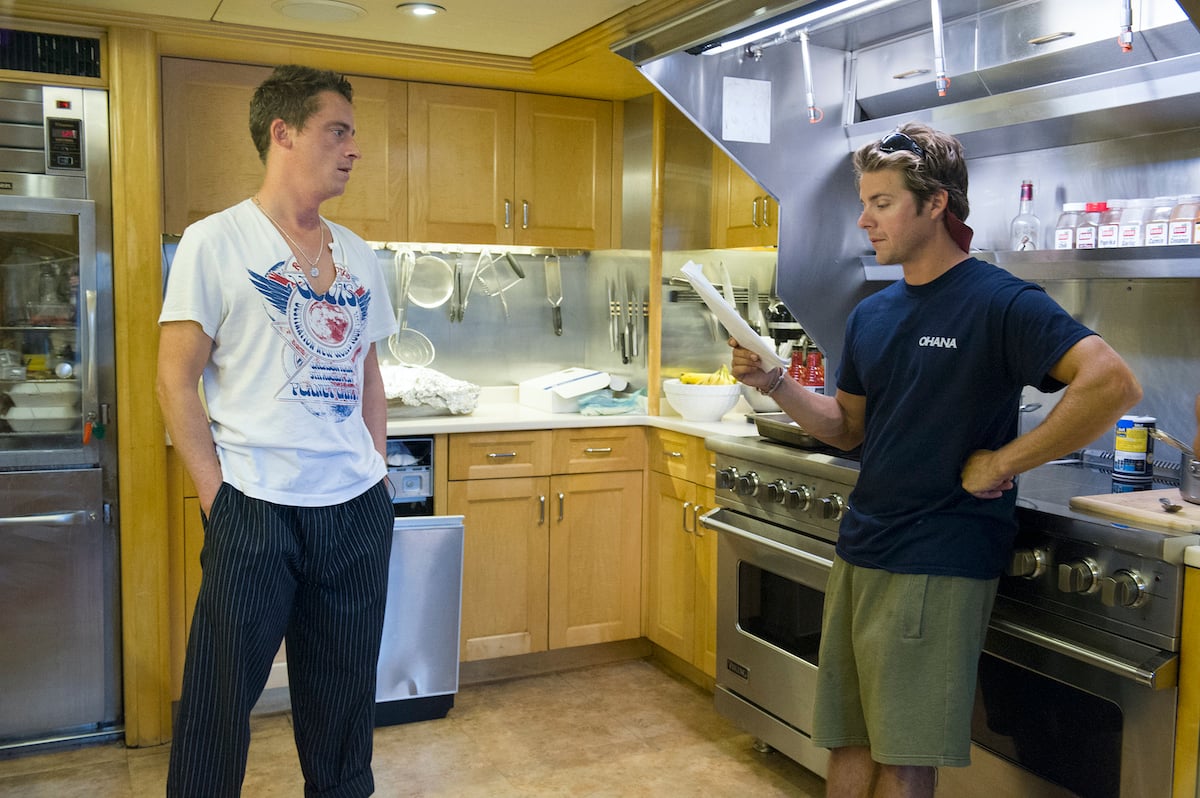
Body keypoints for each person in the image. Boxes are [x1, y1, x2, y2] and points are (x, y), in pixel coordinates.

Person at [729, 122, 1142, 798]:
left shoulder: (999, 300)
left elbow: (1112, 381)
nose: (864, 220)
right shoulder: (874, 313)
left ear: (937, 204)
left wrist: (1006, 460)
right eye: (863, 203)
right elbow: (845, 428)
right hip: (864, 544)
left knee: (903, 756)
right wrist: (776, 382)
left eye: (882, 202)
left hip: (939, 555)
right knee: (847, 739)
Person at [157, 64, 396, 798]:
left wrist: (378, 475)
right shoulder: (214, 242)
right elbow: (175, 378)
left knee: (343, 708)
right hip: (254, 507)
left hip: (353, 509)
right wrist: (216, 499)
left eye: (354, 133)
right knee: (218, 706)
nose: (355, 148)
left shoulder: (360, 255)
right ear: (282, 133)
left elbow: (369, 375)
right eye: (338, 130)